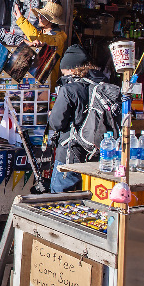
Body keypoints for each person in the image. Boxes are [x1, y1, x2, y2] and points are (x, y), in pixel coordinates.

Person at [48, 45, 110, 193]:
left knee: (59, 198)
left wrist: (51, 115)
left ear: (70, 68)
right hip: (97, 154)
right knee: (88, 197)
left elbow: (56, 123)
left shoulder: (69, 90)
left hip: (70, 153)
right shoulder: (101, 86)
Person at [13, 1, 68, 87]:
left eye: (42, 16)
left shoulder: (58, 38)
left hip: (47, 85)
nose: (39, 17)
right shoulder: (43, 33)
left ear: (51, 21)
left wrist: (21, 20)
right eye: (39, 15)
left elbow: (39, 38)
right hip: (31, 80)